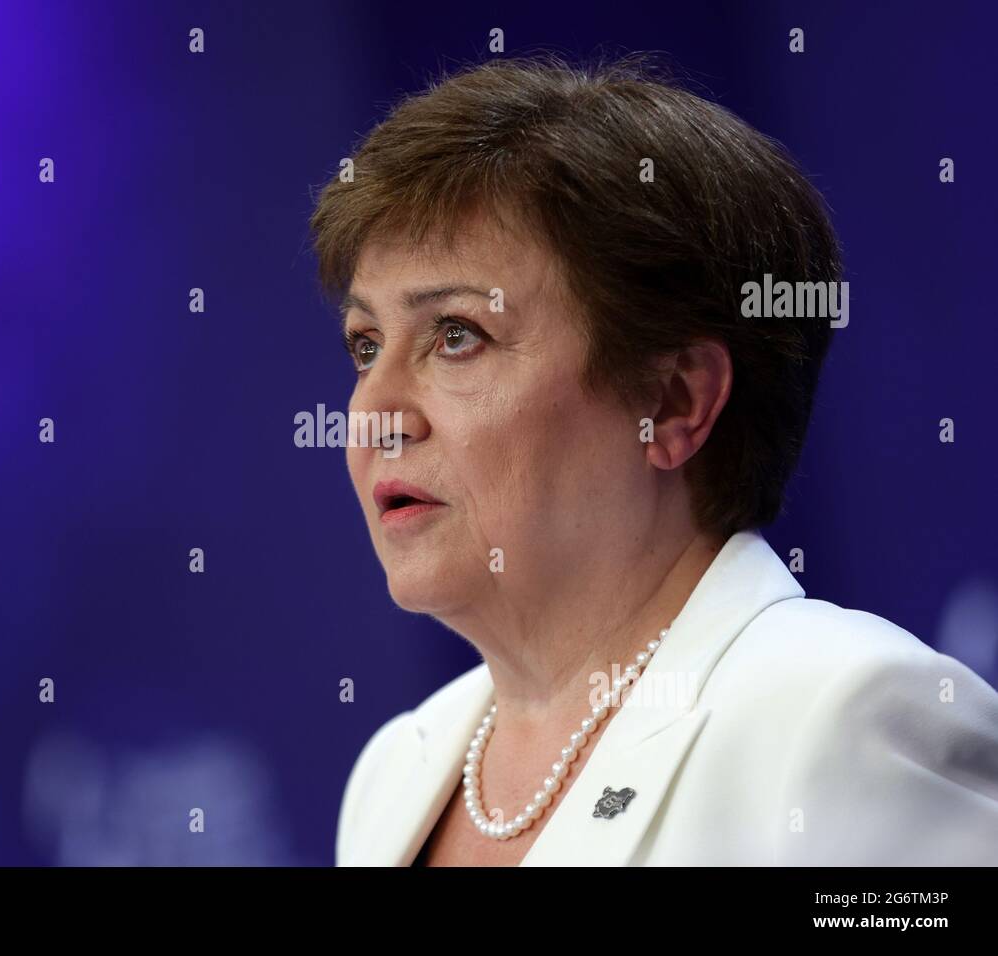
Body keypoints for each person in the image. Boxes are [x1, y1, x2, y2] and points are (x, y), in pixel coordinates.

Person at [308, 54, 998, 866]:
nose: (373, 415)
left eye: (457, 336)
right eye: (366, 345)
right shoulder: (397, 771)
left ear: (673, 403)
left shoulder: (841, 720)